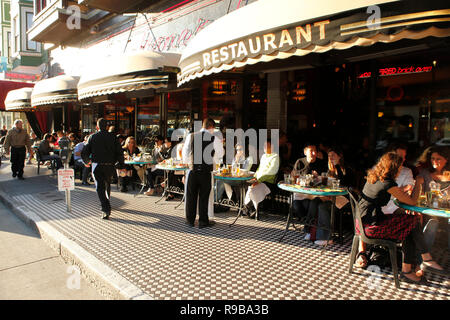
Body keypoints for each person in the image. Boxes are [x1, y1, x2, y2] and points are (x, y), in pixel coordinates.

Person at [355, 152, 445, 284]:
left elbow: (392, 194)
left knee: (408, 223)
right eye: (399, 167)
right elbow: (413, 202)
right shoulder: (387, 183)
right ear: (394, 168)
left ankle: (412, 268)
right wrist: (418, 183)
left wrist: (402, 191)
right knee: (412, 221)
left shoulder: (375, 177)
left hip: (363, 223)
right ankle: (421, 262)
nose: (400, 170)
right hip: (371, 227)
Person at [182, 118, 224, 228]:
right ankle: (202, 221)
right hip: (205, 172)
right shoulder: (213, 138)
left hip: (193, 171)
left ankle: (190, 220)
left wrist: (189, 163)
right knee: (204, 197)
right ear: (211, 127)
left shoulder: (191, 136)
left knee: (191, 196)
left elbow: (185, 154)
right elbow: (220, 154)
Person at [81, 118, 125, 219]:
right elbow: (119, 152)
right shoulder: (113, 137)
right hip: (110, 165)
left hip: (97, 164)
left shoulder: (92, 137)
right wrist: (121, 164)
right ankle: (107, 201)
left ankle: (105, 208)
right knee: (107, 183)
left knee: (100, 187)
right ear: (107, 126)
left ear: (97, 126)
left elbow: (85, 151)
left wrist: (87, 161)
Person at [315, 146, 355, 245]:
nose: (331, 158)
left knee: (323, 207)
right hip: (332, 196)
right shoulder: (329, 169)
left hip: (345, 198)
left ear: (339, 156)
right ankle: (310, 232)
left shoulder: (347, 169)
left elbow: (348, 187)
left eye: (333, 155)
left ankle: (326, 237)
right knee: (314, 202)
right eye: (329, 156)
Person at [291, 142, 328, 240]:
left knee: (312, 204)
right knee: (297, 206)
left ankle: (308, 229)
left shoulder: (320, 163)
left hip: (315, 195)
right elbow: (294, 178)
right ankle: (310, 227)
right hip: (300, 195)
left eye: (315, 151)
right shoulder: (300, 162)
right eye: (311, 151)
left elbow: (325, 180)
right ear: (305, 152)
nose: (313, 153)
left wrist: (318, 177)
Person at [243, 140, 280, 218]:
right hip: (259, 180)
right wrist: (254, 177)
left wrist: (258, 180)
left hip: (268, 181)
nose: (265, 148)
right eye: (264, 146)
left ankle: (253, 210)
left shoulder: (275, 157)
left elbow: (271, 171)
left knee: (254, 188)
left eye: (267, 146)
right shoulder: (263, 156)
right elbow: (259, 169)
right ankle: (248, 209)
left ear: (272, 147)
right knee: (246, 185)